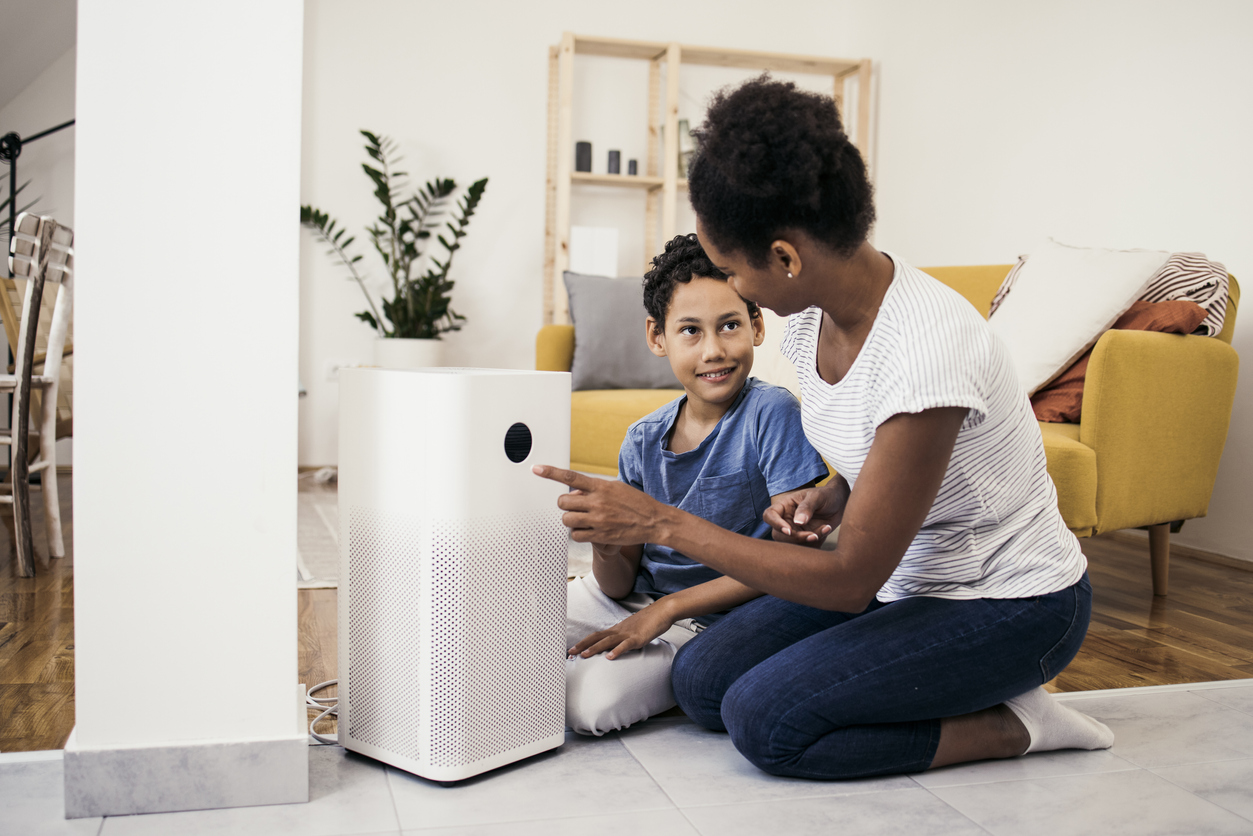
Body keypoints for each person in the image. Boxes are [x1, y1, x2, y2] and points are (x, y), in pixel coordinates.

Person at [536, 75, 1114, 779]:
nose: (735, 290)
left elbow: (846, 579)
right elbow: (887, 458)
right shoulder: (811, 314)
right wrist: (836, 491)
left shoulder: (927, 351)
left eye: (731, 270)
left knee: (767, 724)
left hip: (1009, 605)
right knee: (701, 682)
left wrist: (660, 523)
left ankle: (1014, 724)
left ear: (785, 257)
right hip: (904, 583)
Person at [563, 232, 830, 737]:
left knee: (588, 706)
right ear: (657, 336)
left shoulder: (771, 414)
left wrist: (667, 610)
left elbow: (794, 565)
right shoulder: (641, 439)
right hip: (635, 599)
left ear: (756, 326)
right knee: (505, 623)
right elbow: (619, 584)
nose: (713, 350)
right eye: (690, 331)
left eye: (729, 326)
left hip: (712, 616)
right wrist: (606, 546)